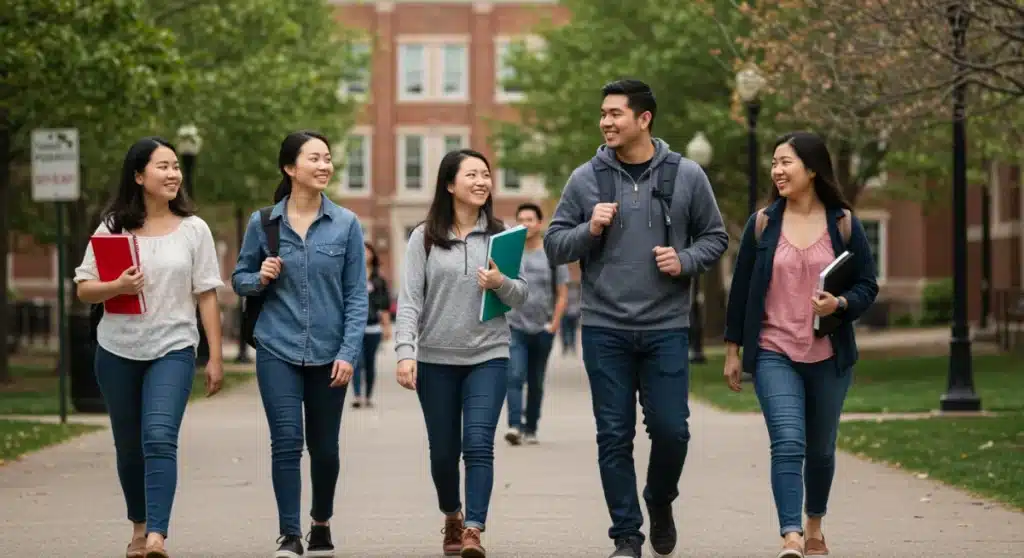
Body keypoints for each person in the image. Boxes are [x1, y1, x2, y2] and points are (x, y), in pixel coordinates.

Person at [544, 79, 729, 558]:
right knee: (613, 434)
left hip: (666, 326)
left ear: (644, 119)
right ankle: (626, 535)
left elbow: (715, 236)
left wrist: (685, 261)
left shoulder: (687, 175)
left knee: (672, 430)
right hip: (605, 326)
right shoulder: (585, 179)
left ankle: (660, 499)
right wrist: (590, 228)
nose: (606, 121)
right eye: (602, 113)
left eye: (615, 113)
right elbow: (553, 243)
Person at [723, 131, 878, 558]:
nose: (777, 171)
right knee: (788, 442)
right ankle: (790, 535)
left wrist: (840, 304)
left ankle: (814, 526)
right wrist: (733, 350)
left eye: (786, 162)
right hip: (775, 351)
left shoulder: (844, 223)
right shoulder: (763, 224)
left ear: (812, 169)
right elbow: (740, 293)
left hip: (828, 355)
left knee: (821, 449)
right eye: (774, 162)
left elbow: (868, 284)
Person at [74, 137, 225, 558]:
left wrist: (214, 356)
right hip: (118, 349)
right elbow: (85, 288)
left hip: (173, 348)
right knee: (128, 443)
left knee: (159, 437)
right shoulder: (112, 228)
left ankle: (158, 534)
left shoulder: (195, 229)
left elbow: (207, 294)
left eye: (176, 166)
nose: (173, 173)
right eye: (163, 166)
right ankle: (138, 528)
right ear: (139, 176)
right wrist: (117, 287)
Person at [231, 130, 368, 558]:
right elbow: (239, 278)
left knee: (325, 449)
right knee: (287, 441)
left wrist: (348, 353)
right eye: (315, 158)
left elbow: (356, 295)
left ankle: (320, 521)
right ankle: (289, 534)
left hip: (330, 352)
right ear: (290, 168)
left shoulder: (345, 224)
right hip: (278, 347)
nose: (325, 165)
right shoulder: (263, 223)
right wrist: (260, 277)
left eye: (328, 158)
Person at [394, 149, 528, 558]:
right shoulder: (425, 237)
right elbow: (410, 299)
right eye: (471, 174)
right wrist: (405, 351)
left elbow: (520, 295)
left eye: (486, 174)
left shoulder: (502, 235)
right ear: (450, 184)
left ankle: (473, 529)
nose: (481, 181)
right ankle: (452, 513)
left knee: (478, 443)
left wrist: (501, 282)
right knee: (443, 451)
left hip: (489, 353)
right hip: (436, 359)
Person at [503, 202, 569, 446]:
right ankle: (514, 426)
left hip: (543, 328)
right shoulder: (510, 253)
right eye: (521, 219)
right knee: (515, 375)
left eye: (530, 219)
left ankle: (531, 427)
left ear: (540, 224)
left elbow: (562, 293)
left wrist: (554, 323)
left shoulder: (552, 255)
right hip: (514, 326)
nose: (525, 224)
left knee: (536, 381)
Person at [352, 241, 392, 408]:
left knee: (369, 363)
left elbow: (384, 305)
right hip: (355, 327)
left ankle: (368, 396)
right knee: (356, 362)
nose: (365, 254)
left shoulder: (379, 280)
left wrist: (386, 327)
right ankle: (357, 396)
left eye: (368, 251)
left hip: (373, 327)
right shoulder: (351, 275)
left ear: (373, 255)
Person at [560, 281, 581, 354]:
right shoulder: (564, 287)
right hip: (564, 312)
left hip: (574, 313)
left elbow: (579, 301)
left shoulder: (578, 288)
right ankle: (565, 346)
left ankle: (572, 346)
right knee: (564, 331)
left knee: (573, 331)